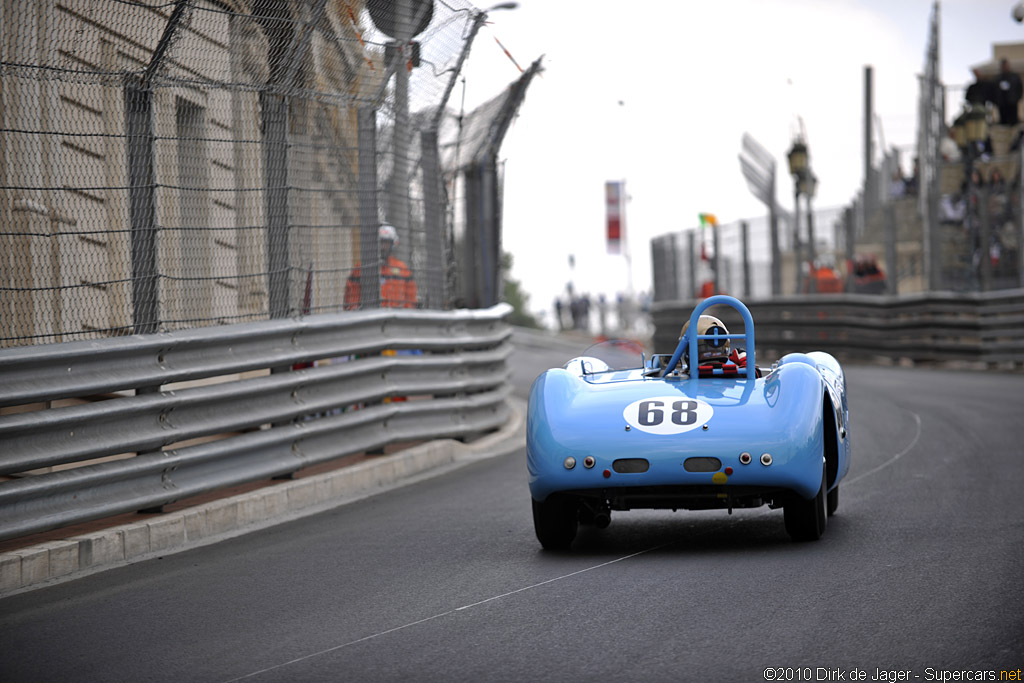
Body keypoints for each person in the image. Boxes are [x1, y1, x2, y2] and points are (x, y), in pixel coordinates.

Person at [344, 224, 418, 309]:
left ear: (392, 244)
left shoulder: (402, 269)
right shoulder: (362, 268)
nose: (383, 247)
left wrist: (405, 315)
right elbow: (351, 298)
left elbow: (411, 299)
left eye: (386, 243)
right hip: (370, 317)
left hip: (397, 318)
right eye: (380, 243)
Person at [995, 58, 1022, 125]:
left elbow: (1019, 88)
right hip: (1002, 104)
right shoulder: (998, 78)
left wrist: (1017, 98)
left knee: (1013, 122)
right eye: (1003, 66)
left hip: (1012, 103)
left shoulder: (1015, 77)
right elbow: (995, 90)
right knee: (1003, 122)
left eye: (1006, 66)